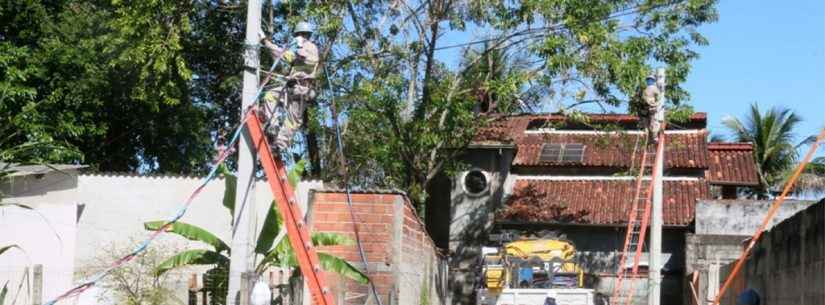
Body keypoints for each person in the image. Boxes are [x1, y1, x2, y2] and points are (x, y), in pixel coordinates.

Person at [260, 21, 319, 151]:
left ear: (305, 35)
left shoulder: (311, 47)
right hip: (291, 88)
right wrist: (265, 42)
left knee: (292, 120)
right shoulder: (297, 48)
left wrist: (299, 52)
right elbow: (283, 55)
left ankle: (279, 146)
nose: (298, 38)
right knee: (270, 95)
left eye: (300, 35)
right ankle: (273, 126)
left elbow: (310, 61)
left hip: (303, 90)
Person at [640, 73, 662, 143]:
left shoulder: (655, 89)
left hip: (652, 107)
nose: (649, 81)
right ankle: (648, 138)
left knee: (653, 124)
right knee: (646, 124)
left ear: (653, 81)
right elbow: (643, 98)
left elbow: (659, 98)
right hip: (645, 108)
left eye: (650, 80)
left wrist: (655, 104)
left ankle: (654, 137)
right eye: (648, 80)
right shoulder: (645, 90)